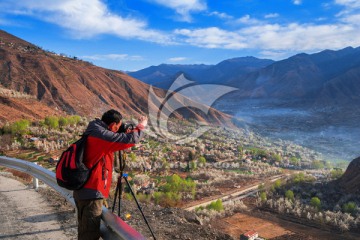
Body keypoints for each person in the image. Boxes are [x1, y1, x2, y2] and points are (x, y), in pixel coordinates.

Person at [73, 109, 147, 240]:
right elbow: (129, 140)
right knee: (89, 235)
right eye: (118, 127)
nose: (118, 130)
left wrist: (123, 131)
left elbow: (118, 139)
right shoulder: (101, 136)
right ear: (113, 125)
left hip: (87, 191)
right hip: (91, 193)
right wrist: (142, 125)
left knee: (88, 229)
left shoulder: (95, 130)